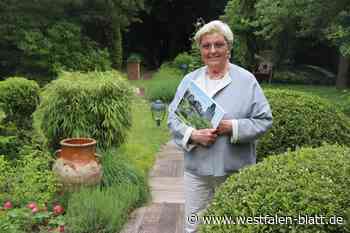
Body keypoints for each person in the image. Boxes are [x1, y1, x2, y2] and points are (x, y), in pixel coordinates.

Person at [167, 20, 273, 233]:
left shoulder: (246, 80)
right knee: (194, 226)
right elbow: (173, 119)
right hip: (197, 171)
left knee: (233, 225)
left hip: (235, 170)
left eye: (218, 45)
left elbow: (264, 120)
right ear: (201, 50)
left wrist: (232, 127)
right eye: (206, 46)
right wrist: (193, 134)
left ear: (228, 48)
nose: (212, 50)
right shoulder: (190, 80)